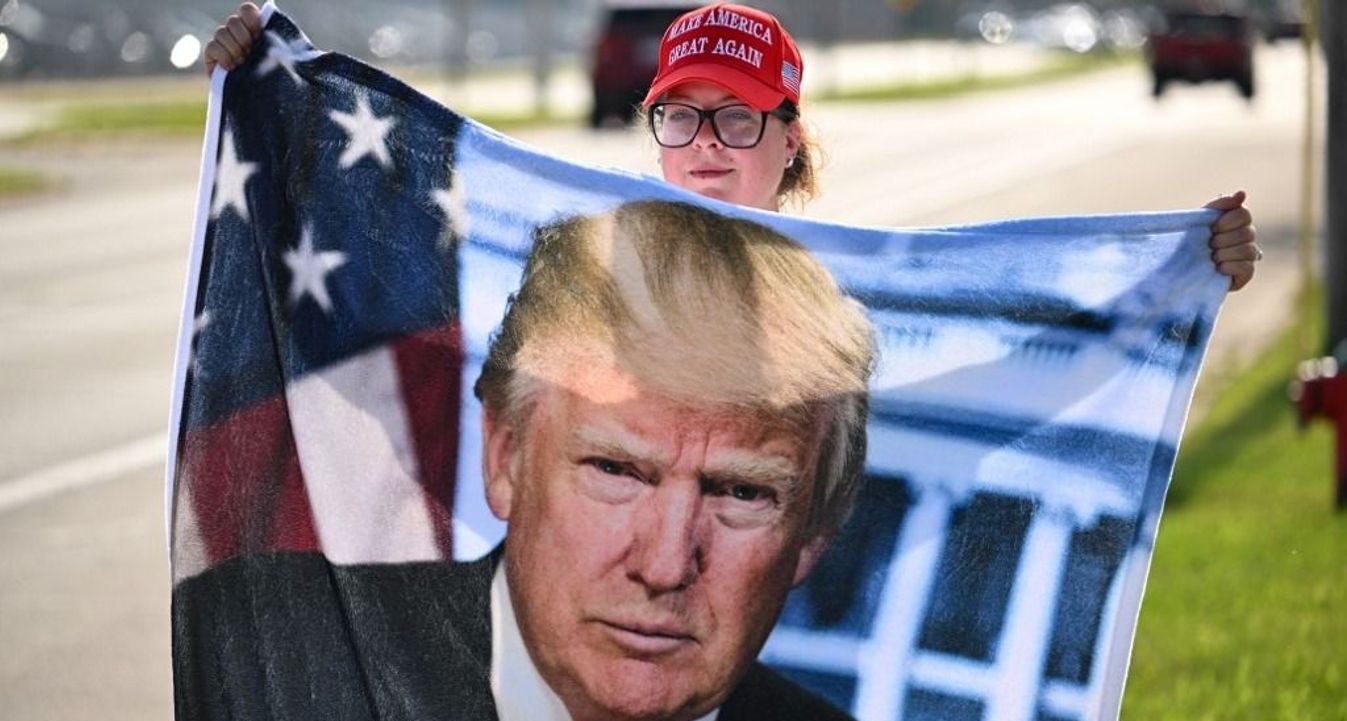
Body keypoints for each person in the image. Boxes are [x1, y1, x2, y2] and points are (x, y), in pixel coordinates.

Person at [174, 200, 913, 721]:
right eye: (616, 470)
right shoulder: (273, 648)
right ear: (505, 457)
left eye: (739, 492)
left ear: (813, 534)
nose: (662, 565)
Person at [204, 2, 1262, 291]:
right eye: (683, 112)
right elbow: (392, 258)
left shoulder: (845, 290)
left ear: (788, 142)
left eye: (739, 116)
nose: (706, 142)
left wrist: (1184, 264)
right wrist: (258, 90)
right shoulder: (579, 263)